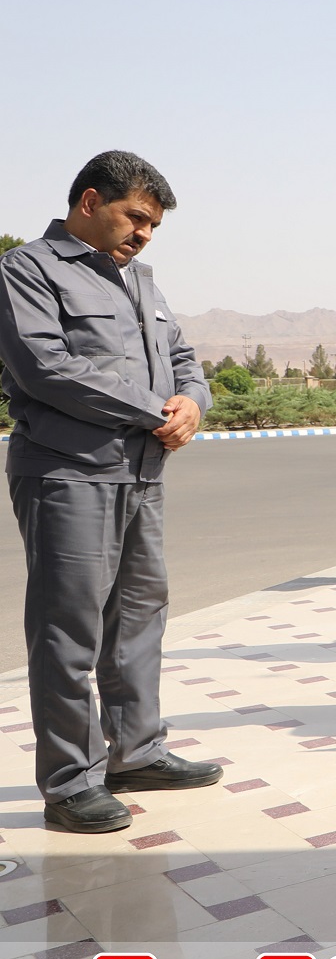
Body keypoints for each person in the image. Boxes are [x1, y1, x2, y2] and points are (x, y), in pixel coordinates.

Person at [0, 150, 219, 834]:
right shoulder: (29, 269)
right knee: (69, 626)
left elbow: (183, 359)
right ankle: (70, 782)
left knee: (139, 617)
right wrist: (156, 409)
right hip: (69, 473)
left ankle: (136, 751)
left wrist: (193, 402)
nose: (145, 234)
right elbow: (46, 368)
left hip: (142, 474)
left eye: (154, 226)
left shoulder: (140, 282)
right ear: (91, 202)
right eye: (136, 218)